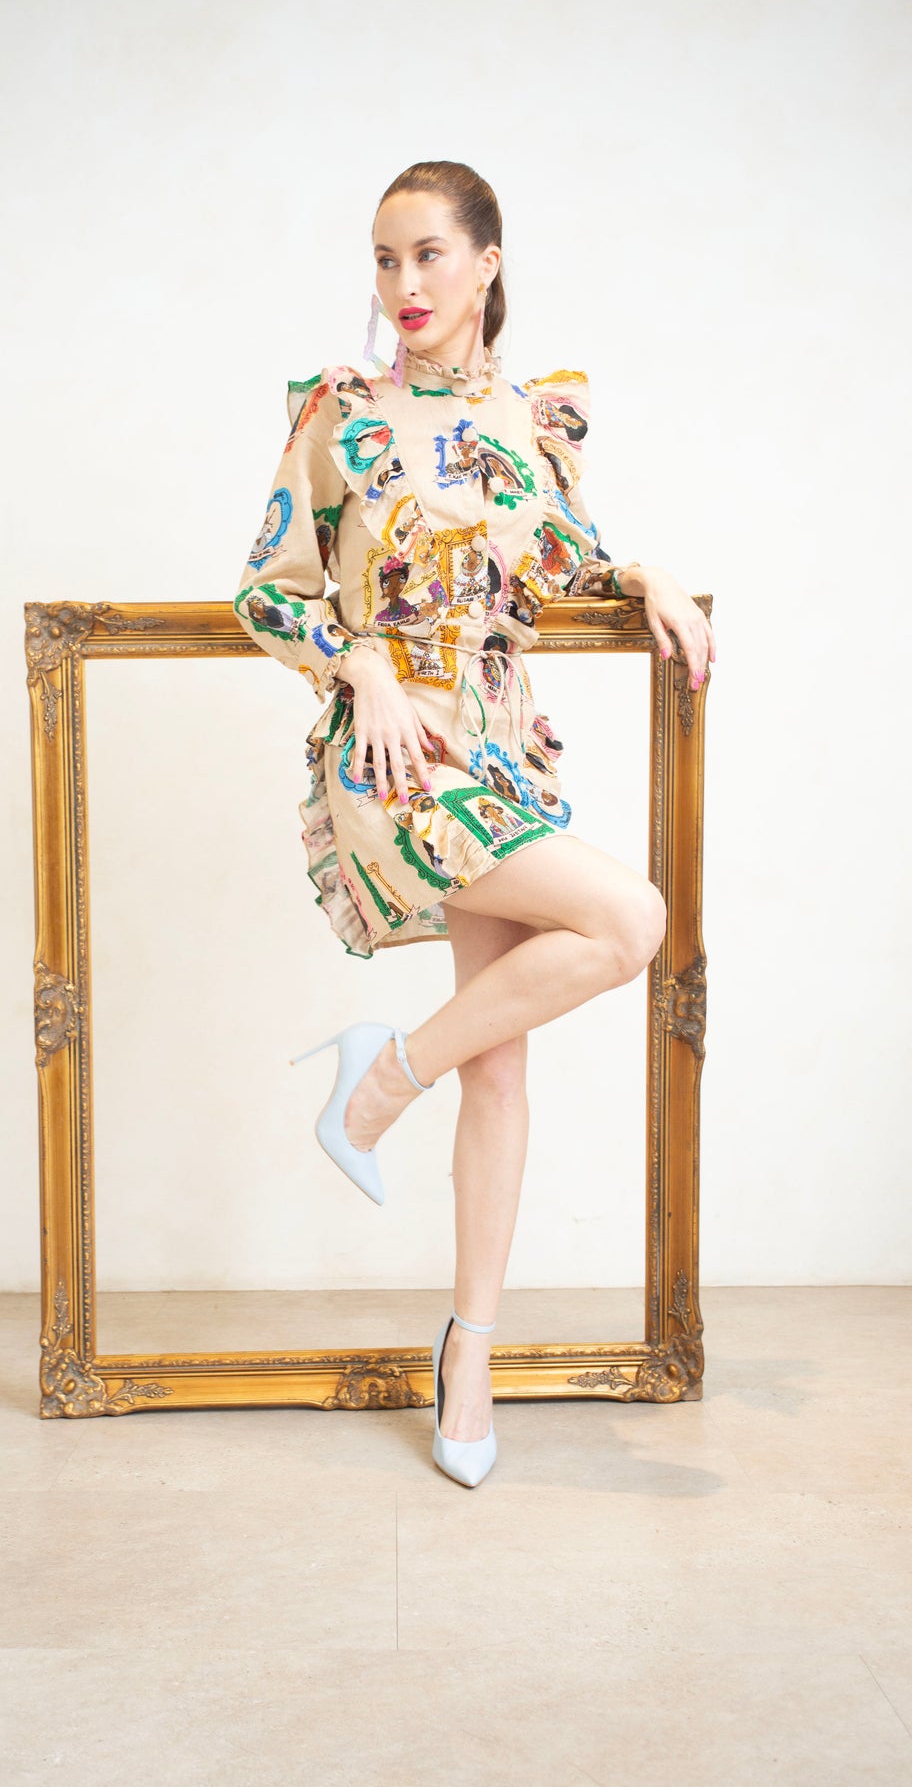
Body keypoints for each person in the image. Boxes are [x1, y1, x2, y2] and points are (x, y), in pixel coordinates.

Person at [232, 159, 715, 1487]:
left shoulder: (534, 418)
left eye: (430, 255)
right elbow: (266, 590)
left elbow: (566, 562)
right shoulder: (341, 414)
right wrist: (362, 666)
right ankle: (383, 1080)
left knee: (499, 1068)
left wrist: (649, 577)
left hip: (502, 749)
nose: (405, 286)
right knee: (631, 920)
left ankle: (470, 1350)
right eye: (386, 260)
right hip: (397, 753)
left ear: (487, 262)